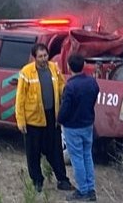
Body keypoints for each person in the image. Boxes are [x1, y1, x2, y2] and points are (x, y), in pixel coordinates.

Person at [15, 42, 72, 194]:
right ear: (34, 58)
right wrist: (21, 121)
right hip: (33, 119)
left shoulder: (54, 68)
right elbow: (20, 98)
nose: (43, 58)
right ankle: (37, 181)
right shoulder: (26, 72)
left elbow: (60, 85)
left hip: (51, 117)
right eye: (40, 56)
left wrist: (66, 93)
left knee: (55, 151)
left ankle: (62, 180)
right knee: (33, 153)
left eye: (45, 55)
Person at [59, 53, 101, 201]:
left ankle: (83, 191)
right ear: (83, 66)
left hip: (72, 127)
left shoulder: (70, 86)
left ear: (69, 67)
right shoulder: (92, 82)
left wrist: (60, 119)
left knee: (77, 159)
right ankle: (91, 189)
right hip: (87, 124)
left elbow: (65, 109)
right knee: (87, 156)